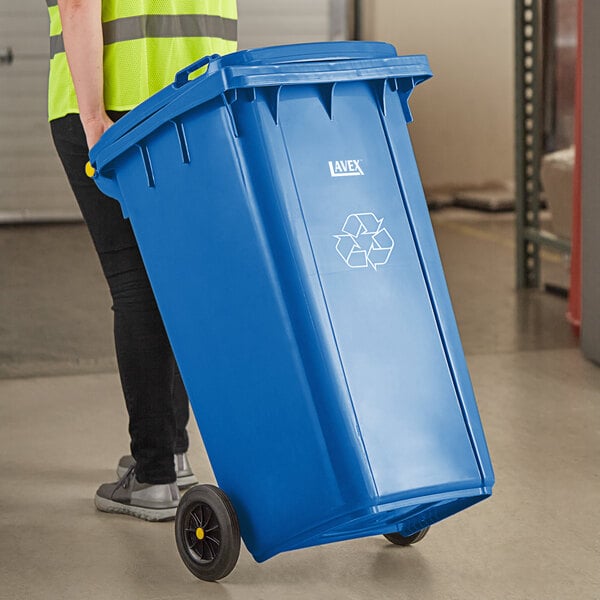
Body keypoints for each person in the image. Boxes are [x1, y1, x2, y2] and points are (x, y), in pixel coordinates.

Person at [47, 0, 238, 521]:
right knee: (177, 279)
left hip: (116, 107)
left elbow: (78, 3)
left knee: (135, 285)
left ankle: (153, 476)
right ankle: (172, 453)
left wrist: (91, 118)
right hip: (201, 101)